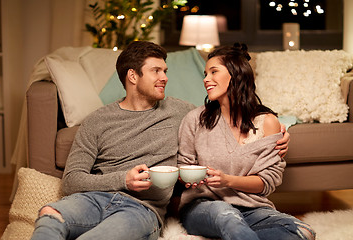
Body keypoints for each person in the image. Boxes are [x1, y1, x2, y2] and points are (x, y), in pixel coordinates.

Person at [30, 41, 290, 240]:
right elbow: (72, 180)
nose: (165, 77)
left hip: (141, 208)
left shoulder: (183, 113)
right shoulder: (96, 121)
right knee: (49, 216)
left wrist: (280, 130)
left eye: (165, 70)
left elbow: (232, 115)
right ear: (133, 76)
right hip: (93, 199)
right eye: (156, 71)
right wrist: (123, 179)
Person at [177, 43, 315, 240]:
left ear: (236, 74)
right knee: (228, 217)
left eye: (213, 72)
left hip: (251, 208)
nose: (206, 79)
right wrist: (189, 176)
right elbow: (184, 168)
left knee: (301, 231)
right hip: (204, 207)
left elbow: (267, 182)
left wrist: (227, 181)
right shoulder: (195, 119)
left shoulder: (267, 123)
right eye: (205, 73)